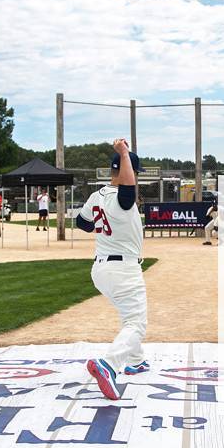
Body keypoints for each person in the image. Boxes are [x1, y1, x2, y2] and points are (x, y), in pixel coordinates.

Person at [77, 138, 148, 400]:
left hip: (100, 270)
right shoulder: (123, 197)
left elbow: (82, 224)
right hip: (123, 269)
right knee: (137, 323)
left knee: (129, 315)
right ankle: (109, 365)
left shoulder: (97, 195)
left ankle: (137, 360)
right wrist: (124, 152)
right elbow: (127, 188)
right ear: (130, 171)